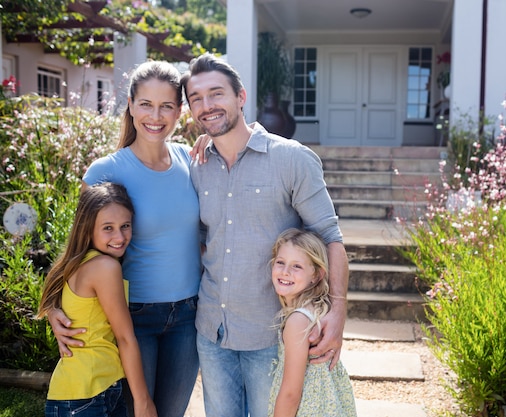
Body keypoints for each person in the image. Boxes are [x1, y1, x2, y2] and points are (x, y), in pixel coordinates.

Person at [181, 52, 349, 417]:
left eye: (217, 94)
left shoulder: (291, 159)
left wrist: (337, 313)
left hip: (271, 336)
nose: (207, 106)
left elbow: (330, 237)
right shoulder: (196, 166)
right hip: (213, 331)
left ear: (241, 97)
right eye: (197, 98)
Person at [47, 60, 202, 417]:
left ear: (180, 111)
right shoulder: (106, 170)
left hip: (189, 315)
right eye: (146, 104)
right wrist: (54, 306)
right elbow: (77, 249)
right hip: (134, 317)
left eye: (167, 105)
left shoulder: (191, 161)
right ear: (130, 105)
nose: (156, 115)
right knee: (139, 411)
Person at [37, 182, 157, 417]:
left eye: (125, 226)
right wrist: (143, 402)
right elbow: (125, 337)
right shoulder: (105, 267)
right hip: (86, 398)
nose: (120, 237)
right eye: (108, 228)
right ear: (88, 229)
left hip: (87, 392)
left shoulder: (79, 262)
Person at [268, 228, 357, 417]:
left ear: (316, 275)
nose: (285, 272)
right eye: (281, 262)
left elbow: (291, 394)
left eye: (296, 266)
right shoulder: (316, 310)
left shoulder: (298, 321)